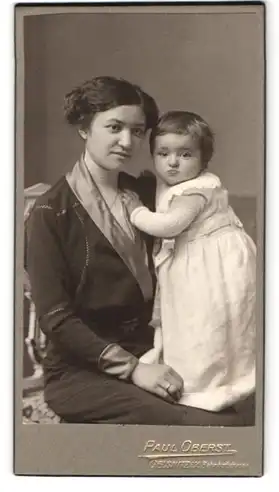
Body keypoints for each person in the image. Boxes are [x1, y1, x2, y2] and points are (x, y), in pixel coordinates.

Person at [26, 78, 252, 425]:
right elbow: (55, 318)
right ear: (84, 128)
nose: (127, 141)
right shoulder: (50, 212)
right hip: (84, 371)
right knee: (219, 429)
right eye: (114, 127)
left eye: (137, 130)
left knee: (247, 413)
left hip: (160, 351)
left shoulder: (149, 194)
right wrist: (132, 369)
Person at [124, 111, 256, 417]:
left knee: (204, 325)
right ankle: (194, 375)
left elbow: (170, 224)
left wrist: (135, 212)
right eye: (163, 153)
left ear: (203, 159)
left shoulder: (194, 190)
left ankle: (206, 387)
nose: (173, 162)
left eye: (185, 154)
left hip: (212, 266)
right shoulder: (175, 183)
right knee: (190, 324)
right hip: (199, 261)